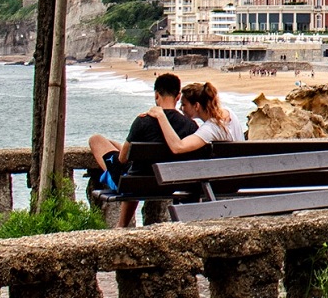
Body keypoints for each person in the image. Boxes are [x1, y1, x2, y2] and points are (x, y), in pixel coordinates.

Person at [88, 73, 199, 228]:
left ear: (156, 95)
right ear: (178, 96)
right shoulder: (191, 126)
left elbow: (123, 159)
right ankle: (122, 224)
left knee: (96, 140)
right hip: (170, 184)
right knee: (123, 156)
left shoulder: (143, 121)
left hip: (134, 183)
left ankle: (121, 225)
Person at [147, 81, 245, 153]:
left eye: (184, 105)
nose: (181, 108)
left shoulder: (210, 129)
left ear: (196, 106)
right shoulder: (229, 112)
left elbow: (178, 147)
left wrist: (161, 116)